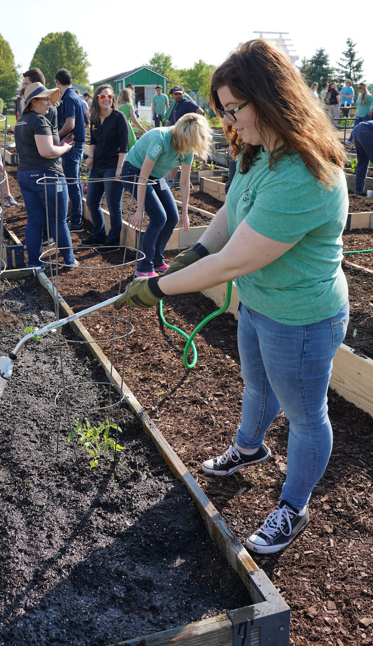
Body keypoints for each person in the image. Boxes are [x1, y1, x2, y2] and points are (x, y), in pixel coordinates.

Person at [115, 39, 349, 555]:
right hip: (260, 304)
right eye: (222, 110)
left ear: (268, 99)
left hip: (303, 318)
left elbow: (233, 262)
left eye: (232, 109)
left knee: (306, 415)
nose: (228, 122)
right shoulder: (258, 152)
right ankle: (249, 448)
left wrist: (155, 286)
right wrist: (190, 252)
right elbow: (228, 218)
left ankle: (294, 506)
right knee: (255, 383)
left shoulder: (306, 175)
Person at [120, 113, 211, 276]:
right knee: (158, 217)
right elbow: (143, 177)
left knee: (173, 217)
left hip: (155, 176)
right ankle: (143, 267)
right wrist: (140, 209)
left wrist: (185, 213)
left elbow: (184, 182)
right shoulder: (160, 138)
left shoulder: (187, 149)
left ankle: (156, 260)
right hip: (133, 171)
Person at [14, 82, 77, 269]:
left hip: (25, 175)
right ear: (33, 101)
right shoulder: (39, 120)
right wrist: (65, 147)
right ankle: (70, 261)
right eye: (46, 99)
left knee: (34, 221)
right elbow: (46, 151)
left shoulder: (20, 121)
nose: (49, 103)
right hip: (48, 177)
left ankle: (34, 263)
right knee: (58, 221)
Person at [82, 85, 128, 254]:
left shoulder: (119, 117)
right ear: (97, 99)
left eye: (109, 97)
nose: (107, 99)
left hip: (112, 167)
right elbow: (93, 141)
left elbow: (124, 146)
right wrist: (91, 157)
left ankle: (114, 241)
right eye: (103, 97)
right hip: (96, 166)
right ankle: (99, 235)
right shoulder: (94, 117)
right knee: (92, 202)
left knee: (113, 205)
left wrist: (119, 168)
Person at [55, 68, 86, 232]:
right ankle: (76, 216)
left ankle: (76, 221)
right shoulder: (76, 96)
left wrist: (56, 136)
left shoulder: (68, 98)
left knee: (72, 181)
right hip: (77, 143)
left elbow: (70, 124)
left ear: (58, 82)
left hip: (71, 144)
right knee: (76, 180)